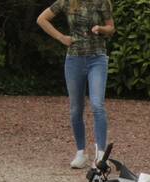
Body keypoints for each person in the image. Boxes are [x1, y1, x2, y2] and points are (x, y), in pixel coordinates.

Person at [37, 0, 115, 169]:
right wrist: (61, 37)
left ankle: (101, 155)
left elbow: (111, 28)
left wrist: (101, 29)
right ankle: (81, 153)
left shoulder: (102, 2)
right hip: (74, 60)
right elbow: (41, 19)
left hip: (97, 59)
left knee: (97, 105)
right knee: (75, 109)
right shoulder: (66, 2)